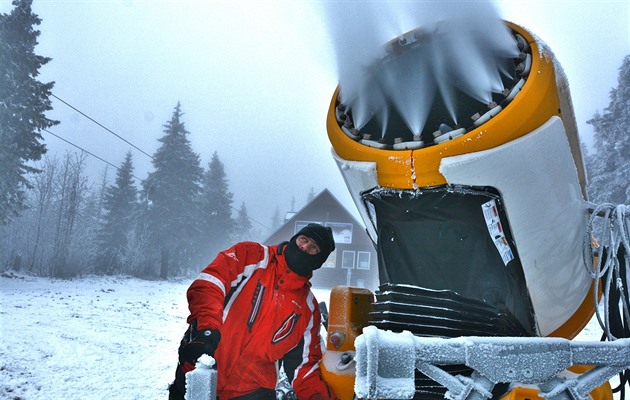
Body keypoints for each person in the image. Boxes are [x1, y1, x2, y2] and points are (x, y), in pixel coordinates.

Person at [168, 223, 338, 400]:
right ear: (296, 238)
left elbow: (304, 368)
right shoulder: (250, 255)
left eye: (313, 248)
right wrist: (206, 329)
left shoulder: (308, 309)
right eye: (304, 240)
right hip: (200, 369)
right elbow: (209, 284)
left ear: (318, 262)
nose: (304, 247)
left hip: (252, 393)